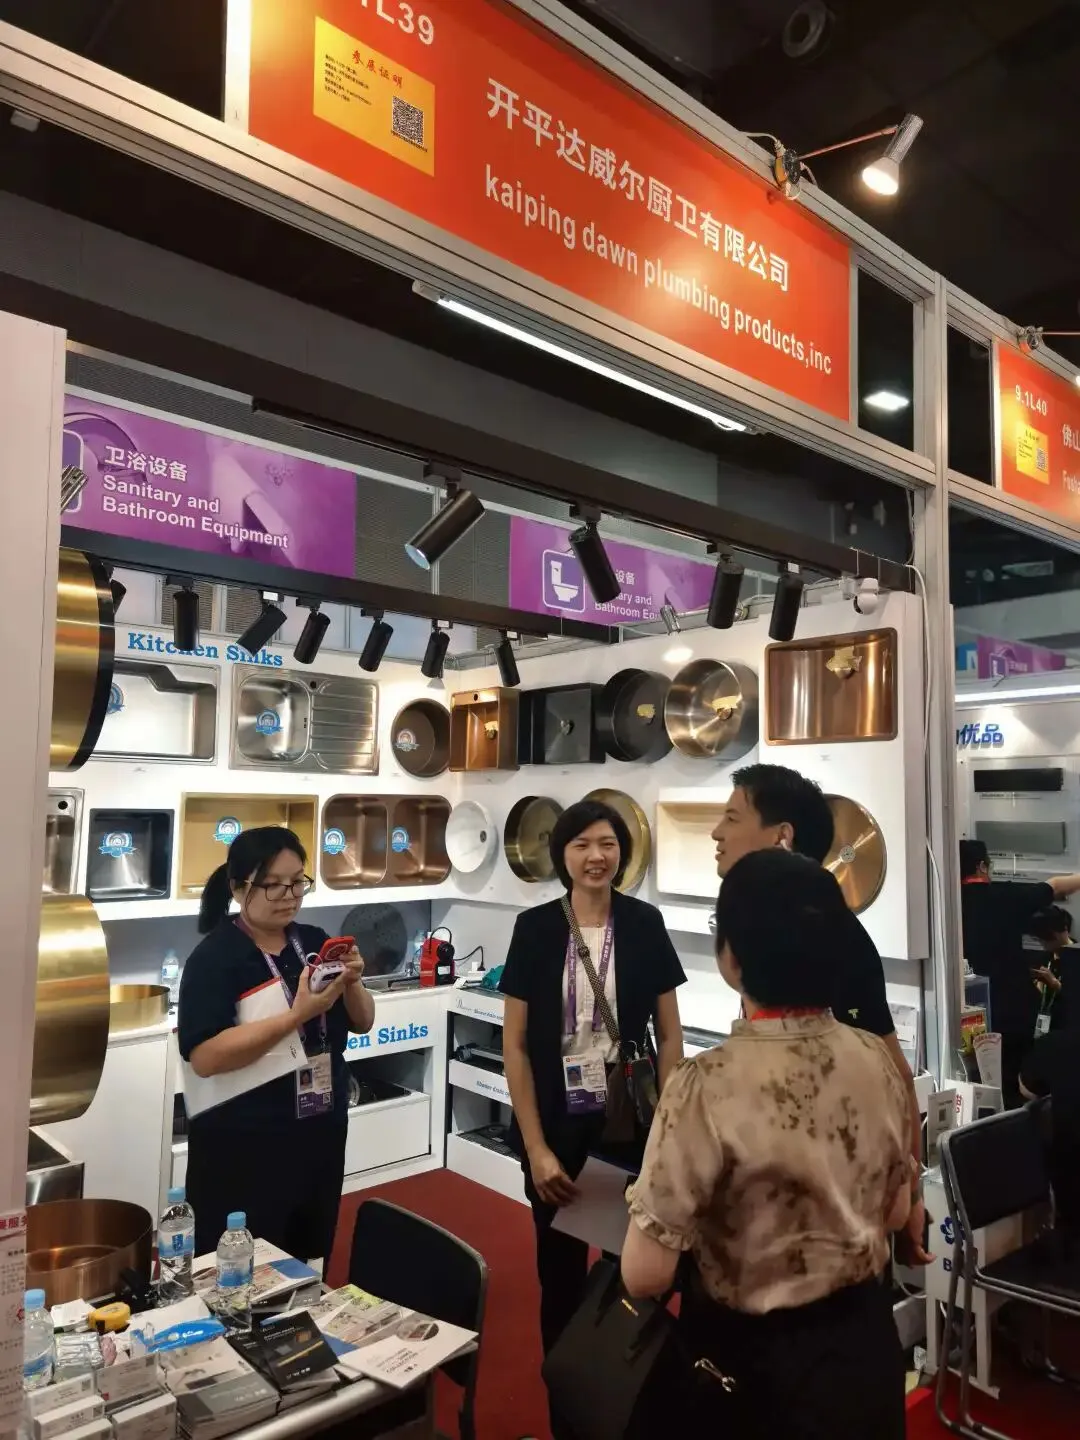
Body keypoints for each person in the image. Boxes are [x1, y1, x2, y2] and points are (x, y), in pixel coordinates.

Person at [622, 849, 913, 1438]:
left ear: (730, 958)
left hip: (752, 1374)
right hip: (866, 1354)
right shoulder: (875, 1058)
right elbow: (896, 1212)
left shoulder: (705, 1084)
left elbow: (644, 1274)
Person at [499, 798, 685, 1436]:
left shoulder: (644, 923)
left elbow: (671, 1035)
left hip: (628, 1125)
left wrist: (666, 1134)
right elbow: (515, 1046)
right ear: (563, 855)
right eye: (581, 845)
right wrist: (535, 1149)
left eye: (607, 844)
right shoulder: (534, 929)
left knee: (630, 1275)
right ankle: (568, 1417)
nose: (596, 856)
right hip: (556, 1126)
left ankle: (625, 1408)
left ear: (622, 853)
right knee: (557, 1279)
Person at [711, 763, 928, 1265]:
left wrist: (911, 1191)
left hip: (836, 1218)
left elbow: (894, 1072)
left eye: (732, 818)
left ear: (781, 836)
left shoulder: (832, 935)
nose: (717, 833)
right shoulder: (758, 921)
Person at [178, 826, 375, 1260]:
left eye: (298, 882)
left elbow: (363, 1022)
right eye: (273, 885)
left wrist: (354, 981)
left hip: (319, 1126)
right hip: (246, 1139)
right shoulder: (215, 958)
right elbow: (205, 1057)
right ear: (238, 888)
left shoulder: (315, 941)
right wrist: (295, 1016)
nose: (289, 895)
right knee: (243, 1262)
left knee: (310, 1251)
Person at [959, 840, 1080, 1108]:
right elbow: (1057, 886)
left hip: (970, 1015)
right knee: (1018, 1090)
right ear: (982, 866)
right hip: (1014, 1011)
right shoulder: (1005, 896)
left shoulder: (947, 902)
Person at [1026, 905, 1078, 1034]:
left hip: (1069, 1028)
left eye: (1047, 938)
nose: (1044, 944)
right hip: (1045, 1024)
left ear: (1064, 930)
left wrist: (1055, 984)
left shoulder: (1075, 958)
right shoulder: (1044, 957)